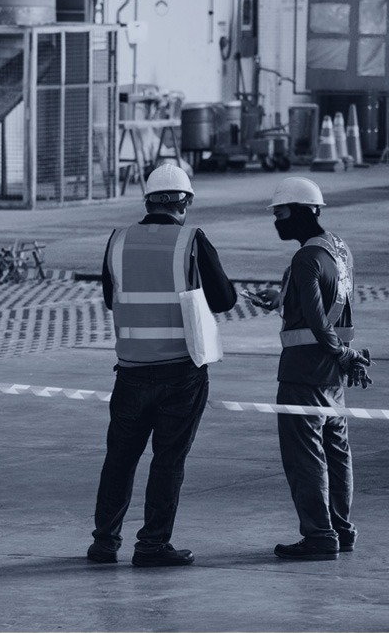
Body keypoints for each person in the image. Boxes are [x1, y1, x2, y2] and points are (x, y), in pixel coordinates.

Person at [88, 162, 237, 568]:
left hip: (130, 372)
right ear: (184, 203)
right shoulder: (192, 240)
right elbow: (224, 300)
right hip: (180, 374)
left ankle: (104, 543)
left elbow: (111, 299)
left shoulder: (118, 240)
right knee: (168, 460)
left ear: (148, 201)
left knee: (119, 460)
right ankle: (152, 544)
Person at [250, 176, 371, 561]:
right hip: (332, 377)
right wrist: (282, 298)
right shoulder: (338, 248)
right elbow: (334, 302)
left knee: (306, 458)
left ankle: (319, 536)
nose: (276, 221)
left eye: (281, 213)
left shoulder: (304, 258)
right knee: (336, 452)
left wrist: (342, 354)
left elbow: (318, 323)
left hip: (303, 374)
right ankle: (341, 529)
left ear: (302, 213)